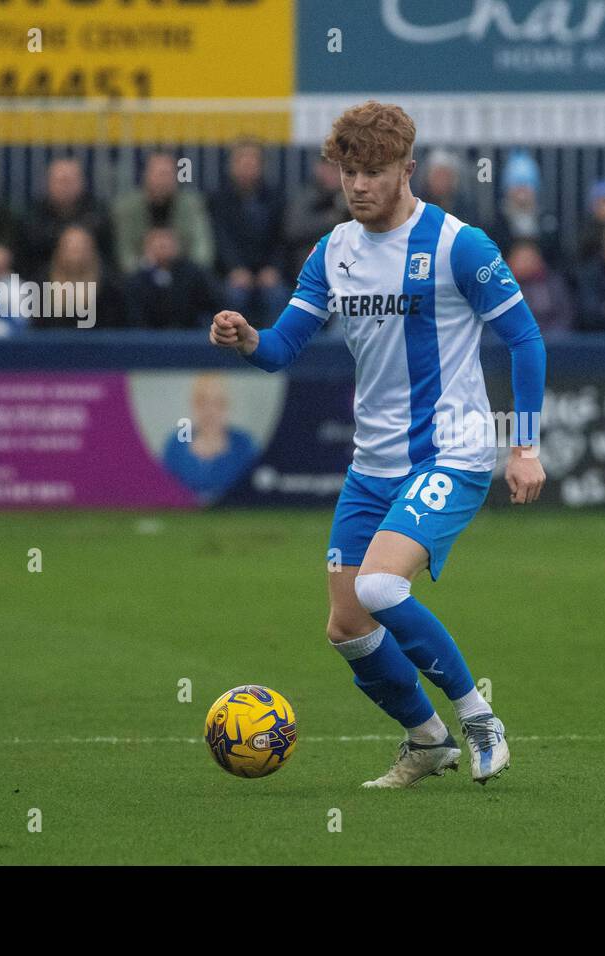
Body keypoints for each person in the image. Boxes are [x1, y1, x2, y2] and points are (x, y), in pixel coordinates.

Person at [208, 101, 546, 788]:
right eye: (348, 172)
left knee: (382, 585)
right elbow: (281, 349)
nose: (358, 185)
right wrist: (247, 340)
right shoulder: (333, 251)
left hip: (450, 452)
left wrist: (526, 446)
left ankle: (480, 719)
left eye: (373, 171)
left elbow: (526, 338)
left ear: (407, 170)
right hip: (373, 468)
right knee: (347, 625)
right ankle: (427, 741)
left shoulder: (459, 245)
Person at [207, 140, 290, 324]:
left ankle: (273, 349)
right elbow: (220, 239)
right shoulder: (218, 199)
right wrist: (234, 269)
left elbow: (283, 239)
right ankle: (232, 349)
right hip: (230, 273)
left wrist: (273, 269)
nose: (247, 165)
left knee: (277, 295)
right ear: (231, 165)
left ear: (262, 165)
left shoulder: (277, 198)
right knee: (233, 295)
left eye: (253, 161)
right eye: (241, 160)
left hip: (269, 272)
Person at [113, 151, 214, 274]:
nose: (163, 179)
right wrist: (145, 266)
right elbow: (124, 254)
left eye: (168, 174)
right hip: (140, 278)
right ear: (146, 176)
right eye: (158, 174)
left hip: (183, 276)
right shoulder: (126, 208)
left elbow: (203, 251)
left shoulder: (192, 205)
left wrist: (187, 271)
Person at [17, 157, 113, 279]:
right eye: (60, 181)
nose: (65, 187)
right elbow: (24, 263)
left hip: (94, 285)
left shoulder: (98, 215)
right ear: (48, 183)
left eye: (70, 181)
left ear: (82, 183)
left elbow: (109, 261)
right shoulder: (32, 217)